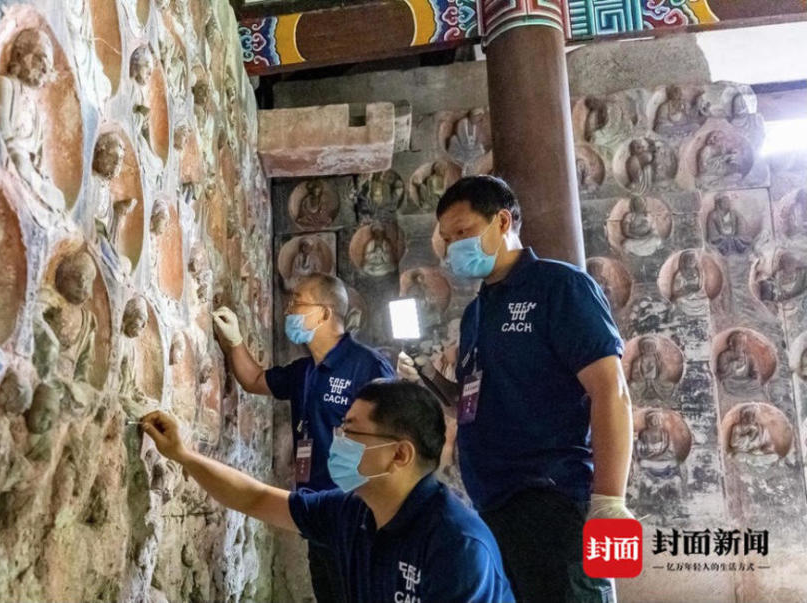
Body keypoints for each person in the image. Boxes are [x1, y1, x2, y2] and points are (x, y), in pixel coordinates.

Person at [398, 175, 633, 602]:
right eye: (447, 239)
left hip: (553, 499)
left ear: (502, 221)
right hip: (492, 505)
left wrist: (608, 501)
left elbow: (610, 389)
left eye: (463, 232)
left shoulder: (559, 286)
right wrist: (428, 380)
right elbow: (470, 405)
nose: (452, 248)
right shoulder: (475, 313)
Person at [138, 380, 514, 603]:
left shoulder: (457, 545)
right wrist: (182, 455)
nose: (339, 441)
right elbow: (254, 498)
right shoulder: (352, 511)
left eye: (352, 431)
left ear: (399, 454)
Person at [211, 273, 394, 602]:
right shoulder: (303, 371)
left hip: (356, 515)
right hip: (314, 509)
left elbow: (394, 438)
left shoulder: (368, 366)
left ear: (324, 313)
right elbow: (254, 379)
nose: (289, 309)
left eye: (297, 302)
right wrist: (234, 341)